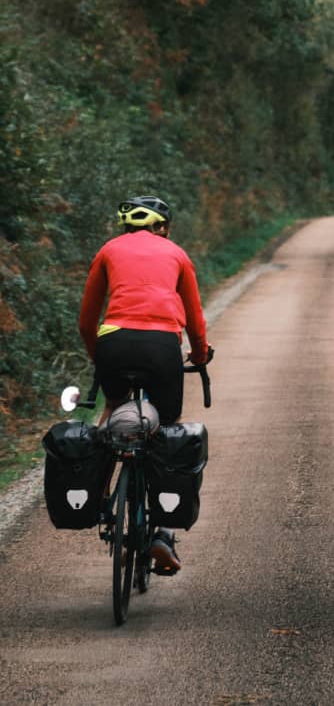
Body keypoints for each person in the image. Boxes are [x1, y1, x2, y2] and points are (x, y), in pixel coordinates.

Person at [79, 195, 212, 574]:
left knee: (112, 408)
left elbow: (87, 320)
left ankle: (99, 494)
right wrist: (199, 356)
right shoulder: (176, 254)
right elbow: (194, 318)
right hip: (161, 346)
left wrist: (99, 357)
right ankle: (163, 532)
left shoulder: (108, 250)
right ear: (163, 227)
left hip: (113, 342)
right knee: (166, 430)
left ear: (125, 227)